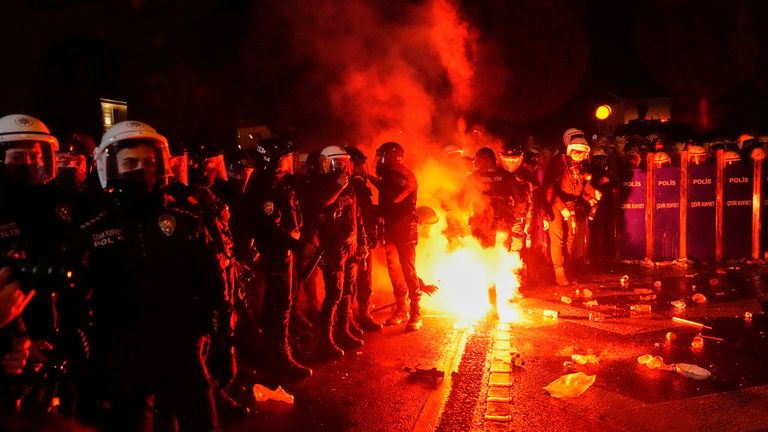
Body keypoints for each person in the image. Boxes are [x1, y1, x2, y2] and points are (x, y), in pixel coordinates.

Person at [74, 120, 227, 430]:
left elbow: (214, 287)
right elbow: (77, 299)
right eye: (130, 162)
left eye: (149, 162)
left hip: (182, 348)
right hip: (125, 354)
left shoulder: (186, 221)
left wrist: (222, 342)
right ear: (111, 166)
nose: (141, 169)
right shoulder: (95, 229)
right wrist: (93, 360)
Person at [230, 137, 316, 380]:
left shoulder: (278, 184)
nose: (289, 162)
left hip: (283, 252)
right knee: (279, 306)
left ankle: (279, 349)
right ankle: (279, 359)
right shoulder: (266, 188)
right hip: (275, 254)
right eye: (285, 158)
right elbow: (270, 228)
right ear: (274, 161)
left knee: (282, 304)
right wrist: (297, 245)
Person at [307, 146, 368, 358]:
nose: (343, 166)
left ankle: (343, 330)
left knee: (348, 291)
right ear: (327, 163)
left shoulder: (349, 185)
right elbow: (322, 203)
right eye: (338, 162)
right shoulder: (320, 185)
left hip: (350, 247)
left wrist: (362, 243)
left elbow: (357, 216)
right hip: (333, 248)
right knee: (334, 293)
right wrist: (337, 187)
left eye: (344, 162)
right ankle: (326, 339)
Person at [370, 142, 422, 332]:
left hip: (405, 229)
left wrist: (374, 182)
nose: (379, 160)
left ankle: (416, 311)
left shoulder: (404, 175)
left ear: (393, 156)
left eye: (382, 156)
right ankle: (401, 309)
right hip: (391, 228)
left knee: (408, 269)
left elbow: (395, 197)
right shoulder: (389, 176)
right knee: (394, 269)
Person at [543, 136, 601, 286]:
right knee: (558, 237)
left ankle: (567, 269)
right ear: (570, 151)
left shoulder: (580, 166)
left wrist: (592, 194)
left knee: (570, 235)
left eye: (583, 154)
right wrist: (561, 208)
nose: (581, 157)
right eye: (578, 153)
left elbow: (580, 186)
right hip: (555, 204)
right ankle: (559, 272)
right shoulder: (557, 165)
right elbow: (549, 190)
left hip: (571, 205)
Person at [344, 145, 383, 332]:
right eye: (358, 165)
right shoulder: (345, 188)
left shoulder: (361, 187)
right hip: (352, 243)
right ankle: (346, 319)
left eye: (362, 166)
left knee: (365, 281)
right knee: (349, 284)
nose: (361, 170)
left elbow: (365, 213)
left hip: (364, 239)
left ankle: (365, 315)